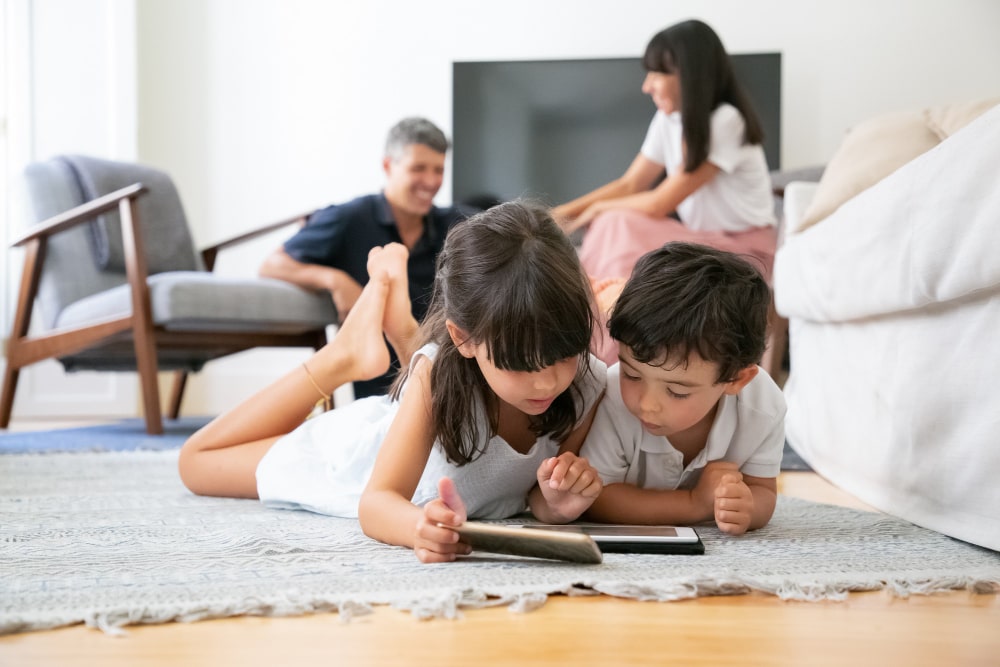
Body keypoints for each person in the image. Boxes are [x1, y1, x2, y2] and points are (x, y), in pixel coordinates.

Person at [179, 202, 608, 563]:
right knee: (196, 462)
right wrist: (417, 528)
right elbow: (376, 502)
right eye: (521, 364)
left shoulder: (587, 382)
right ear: (465, 339)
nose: (547, 381)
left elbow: (535, 495)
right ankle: (342, 357)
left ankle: (398, 321)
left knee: (435, 366)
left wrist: (556, 502)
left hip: (429, 400)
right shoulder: (436, 376)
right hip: (359, 458)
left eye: (564, 354)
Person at [552, 20, 777, 364]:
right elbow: (630, 184)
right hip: (701, 239)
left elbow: (661, 202)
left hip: (745, 249)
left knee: (616, 222)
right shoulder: (667, 121)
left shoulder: (727, 120)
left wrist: (596, 212)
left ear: (690, 74)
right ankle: (592, 329)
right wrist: (563, 214)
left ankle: (604, 345)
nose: (647, 86)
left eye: (657, 74)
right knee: (613, 222)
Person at [579, 242, 786, 536]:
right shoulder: (610, 396)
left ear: (736, 380)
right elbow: (597, 498)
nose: (647, 404)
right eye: (632, 374)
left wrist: (747, 508)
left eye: (677, 391)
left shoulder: (763, 407)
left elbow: (763, 490)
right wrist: (694, 504)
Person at [260, 117, 467, 398]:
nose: (430, 181)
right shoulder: (349, 219)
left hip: (450, 372)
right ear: (388, 166)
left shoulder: (455, 224)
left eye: (438, 170)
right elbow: (271, 265)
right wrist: (334, 280)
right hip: (382, 390)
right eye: (418, 168)